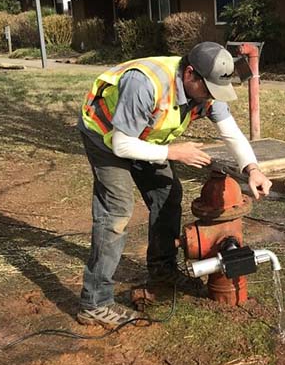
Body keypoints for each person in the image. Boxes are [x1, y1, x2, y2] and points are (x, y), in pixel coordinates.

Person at [77, 41, 272, 328]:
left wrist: (252, 169)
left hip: (144, 138)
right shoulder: (145, 84)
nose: (210, 98)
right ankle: (95, 303)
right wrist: (173, 152)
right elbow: (122, 145)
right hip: (106, 137)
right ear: (190, 74)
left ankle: (162, 270)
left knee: (168, 194)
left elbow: (231, 133)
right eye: (207, 90)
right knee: (117, 211)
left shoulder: (207, 88)